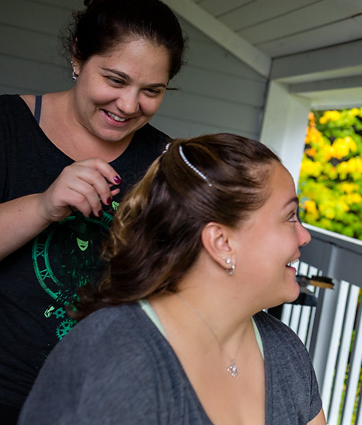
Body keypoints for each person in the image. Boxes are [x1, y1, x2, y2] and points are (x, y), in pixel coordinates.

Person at [19, 134, 327, 425]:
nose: (304, 236)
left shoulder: (285, 350)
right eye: (289, 216)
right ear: (221, 242)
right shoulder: (113, 358)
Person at [0, 0, 186, 421]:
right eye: (115, 80)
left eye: (151, 90)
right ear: (79, 55)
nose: (128, 105)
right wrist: (45, 205)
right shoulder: (7, 127)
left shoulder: (165, 162)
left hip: (102, 404)